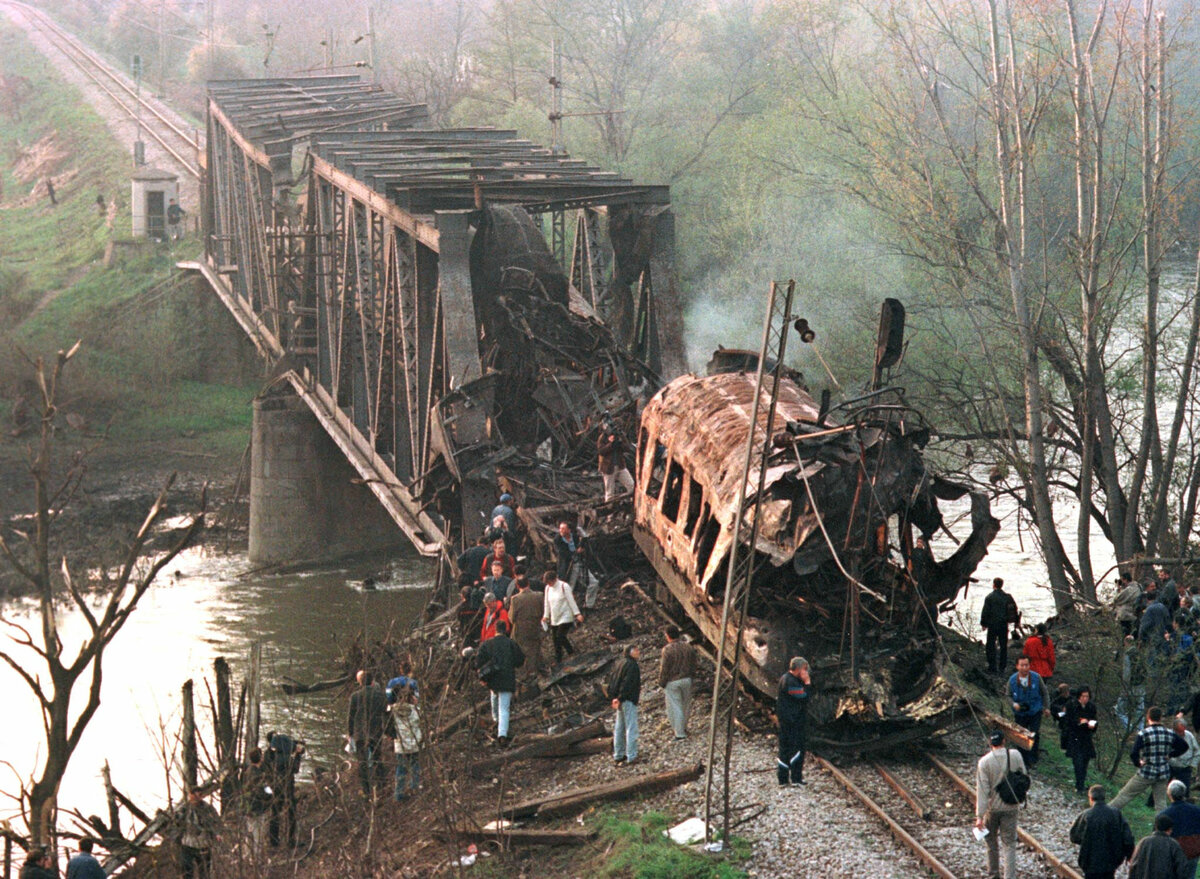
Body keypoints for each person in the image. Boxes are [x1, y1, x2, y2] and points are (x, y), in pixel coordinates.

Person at [1111, 706, 1188, 811]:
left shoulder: (1144, 733)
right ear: (1161, 718)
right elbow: (1184, 746)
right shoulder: (1169, 733)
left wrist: (1138, 763)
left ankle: (1106, 813)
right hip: (1163, 772)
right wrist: (1171, 755)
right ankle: (1162, 826)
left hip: (1147, 771)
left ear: (1148, 718)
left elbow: (1134, 753)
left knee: (1125, 795)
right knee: (1161, 804)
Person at [975, 730, 1026, 879]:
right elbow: (1024, 777)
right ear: (1004, 741)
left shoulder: (984, 762)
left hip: (993, 808)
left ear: (990, 743)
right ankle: (1009, 876)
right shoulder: (1015, 755)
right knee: (1009, 844)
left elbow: (982, 791)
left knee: (991, 842)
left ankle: (994, 874)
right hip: (1011, 806)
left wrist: (979, 816)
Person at [1070, 784, 1135, 879]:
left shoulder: (1086, 815)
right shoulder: (1116, 814)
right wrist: (1129, 855)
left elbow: (1074, 837)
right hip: (1111, 862)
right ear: (1105, 798)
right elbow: (1127, 838)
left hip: (1090, 861)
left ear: (1090, 798)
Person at [476, 619, 524, 747]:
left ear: (495, 630)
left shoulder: (487, 644)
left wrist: (483, 677)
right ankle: (502, 734)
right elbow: (520, 660)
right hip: (507, 678)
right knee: (504, 708)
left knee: (494, 700)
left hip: (493, 679)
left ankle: (496, 721)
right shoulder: (511, 643)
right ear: (506, 630)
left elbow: (479, 662)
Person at [347, 671, 389, 797]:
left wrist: (350, 733)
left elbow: (351, 716)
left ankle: (366, 791)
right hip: (376, 732)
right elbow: (386, 714)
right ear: (372, 682)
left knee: (362, 762)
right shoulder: (381, 695)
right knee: (377, 758)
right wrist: (389, 731)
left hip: (360, 733)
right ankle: (381, 786)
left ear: (360, 682)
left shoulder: (355, 696)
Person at [1008, 655, 1050, 768]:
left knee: (1034, 733)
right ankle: (1023, 759)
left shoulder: (1036, 677)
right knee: (1021, 734)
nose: (1024, 668)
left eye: (1026, 665)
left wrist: (1047, 707)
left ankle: (1033, 758)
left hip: (1035, 710)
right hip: (1020, 712)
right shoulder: (1012, 680)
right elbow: (1008, 696)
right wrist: (1013, 704)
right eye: (1022, 665)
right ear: (1017, 666)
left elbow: (1044, 692)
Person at [264, 731, 303, 848]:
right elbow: (295, 770)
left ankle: (274, 841)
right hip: (287, 786)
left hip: (274, 786)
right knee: (291, 812)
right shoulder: (288, 760)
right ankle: (291, 840)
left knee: (275, 813)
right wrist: (297, 755)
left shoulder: (268, 755)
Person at [776, 657, 811, 786]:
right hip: (792, 721)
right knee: (796, 749)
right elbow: (804, 697)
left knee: (784, 749)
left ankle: (783, 779)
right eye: (805, 669)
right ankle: (795, 779)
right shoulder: (790, 682)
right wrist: (807, 683)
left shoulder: (787, 679)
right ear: (799, 669)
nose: (806, 672)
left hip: (787, 720)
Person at [659, 626, 697, 740]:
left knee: (676, 706)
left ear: (668, 636)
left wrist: (662, 682)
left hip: (673, 681)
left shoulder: (667, 649)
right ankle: (684, 727)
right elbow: (694, 663)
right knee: (686, 705)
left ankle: (679, 732)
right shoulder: (688, 647)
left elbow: (665, 668)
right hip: (687, 679)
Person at [508, 574, 545, 683]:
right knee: (535, 649)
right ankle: (537, 671)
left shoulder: (515, 599)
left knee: (523, 652)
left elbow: (511, 618)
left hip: (521, 630)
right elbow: (543, 611)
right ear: (528, 583)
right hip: (535, 627)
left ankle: (528, 676)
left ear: (517, 586)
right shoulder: (539, 595)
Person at [542, 569, 583, 665]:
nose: (549, 584)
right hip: (555, 617)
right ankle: (559, 658)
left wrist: (577, 614)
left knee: (560, 636)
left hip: (566, 615)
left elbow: (571, 600)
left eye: (550, 582)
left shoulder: (564, 586)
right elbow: (546, 604)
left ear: (554, 579)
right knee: (555, 640)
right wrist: (546, 616)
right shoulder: (548, 588)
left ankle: (570, 651)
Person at [609, 644, 642, 765]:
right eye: (636, 650)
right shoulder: (632, 665)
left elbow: (613, 681)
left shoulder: (619, 663)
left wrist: (614, 698)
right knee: (631, 727)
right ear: (630, 652)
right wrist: (621, 697)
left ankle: (618, 754)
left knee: (619, 728)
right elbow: (627, 683)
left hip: (619, 699)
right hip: (628, 699)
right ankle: (632, 755)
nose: (638, 652)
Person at [1129, 814, 1190, 879]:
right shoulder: (1173, 844)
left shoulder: (1144, 842)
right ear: (1170, 829)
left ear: (1156, 827)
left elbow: (1134, 865)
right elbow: (1182, 868)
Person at [1161, 779, 1200, 878]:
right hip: (1192, 851)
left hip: (1172, 853)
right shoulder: (1196, 811)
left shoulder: (1165, 815)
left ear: (1169, 794)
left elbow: (1159, 837)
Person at [238, 748, 273, 855]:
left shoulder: (249, 771)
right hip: (256, 807)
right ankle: (255, 859)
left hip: (250, 806)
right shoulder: (256, 774)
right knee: (257, 834)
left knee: (251, 832)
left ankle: (248, 855)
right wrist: (270, 794)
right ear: (260, 757)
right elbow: (262, 789)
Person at [178, 788, 219, 878]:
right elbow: (177, 824)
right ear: (190, 795)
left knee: (204, 872)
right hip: (187, 845)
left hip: (203, 845)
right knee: (187, 873)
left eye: (199, 795)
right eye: (194, 796)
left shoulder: (208, 808)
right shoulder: (184, 809)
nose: (196, 798)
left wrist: (217, 834)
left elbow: (216, 822)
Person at [390, 683, 422, 799]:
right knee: (415, 766)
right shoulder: (416, 711)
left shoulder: (393, 712)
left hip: (400, 745)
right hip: (414, 744)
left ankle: (399, 794)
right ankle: (415, 788)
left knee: (401, 769)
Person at [1065, 686, 1099, 793]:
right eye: (1083, 696)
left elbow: (1094, 719)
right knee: (1078, 761)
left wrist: (1092, 725)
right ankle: (1079, 785)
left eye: (1087, 696)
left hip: (1086, 737)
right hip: (1075, 736)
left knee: (1085, 761)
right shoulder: (1072, 705)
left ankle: (1081, 784)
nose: (1085, 698)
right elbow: (1068, 721)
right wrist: (1079, 722)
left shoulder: (1091, 707)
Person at [981, 577, 1019, 673]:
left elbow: (985, 611)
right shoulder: (1007, 597)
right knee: (1003, 646)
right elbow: (1014, 609)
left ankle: (992, 666)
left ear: (994, 585)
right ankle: (1002, 666)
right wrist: (1016, 621)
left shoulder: (989, 597)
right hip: (1003, 624)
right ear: (1002, 585)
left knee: (990, 645)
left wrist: (984, 623)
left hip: (992, 625)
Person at [597, 418, 635, 501]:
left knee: (631, 486)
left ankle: (623, 501)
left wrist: (619, 442)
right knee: (609, 494)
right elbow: (601, 451)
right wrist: (611, 444)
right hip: (608, 467)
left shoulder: (620, 435)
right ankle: (609, 510)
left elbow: (627, 447)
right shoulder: (603, 437)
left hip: (620, 465)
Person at [553, 520, 588, 595]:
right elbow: (561, 552)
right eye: (560, 528)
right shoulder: (558, 539)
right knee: (564, 582)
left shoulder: (575, 537)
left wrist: (581, 549)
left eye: (563, 529)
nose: (561, 531)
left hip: (576, 561)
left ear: (569, 530)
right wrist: (575, 552)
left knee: (575, 580)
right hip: (565, 564)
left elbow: (582, 544)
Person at [1171, 716, 1200, 792]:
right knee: (1161, 786)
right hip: (1170, 766)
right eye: (1180, 731)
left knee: (1185, 789)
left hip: (1185, 767)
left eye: (1183, 731)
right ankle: (1151, 802)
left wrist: (1192, 765)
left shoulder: (1189, 735)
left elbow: (1197, 752)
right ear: (1174, 729)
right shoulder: (1169, 735)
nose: (1182, 733)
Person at [1115, 572, 1144, 637]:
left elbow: (1117, 599)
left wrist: (1118, 589)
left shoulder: (1128, 590)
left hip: (1126, 616)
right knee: (1134, 635)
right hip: (1136, 615)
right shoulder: (1139, 586)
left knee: (1126, 635)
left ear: (1125, 580)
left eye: (1121, 580)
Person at [1050, 682, 1073, 750]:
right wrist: (1061, 708)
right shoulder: (1058, 699)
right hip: (1060, 715)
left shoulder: (1072, 699)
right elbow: (1053, 706)